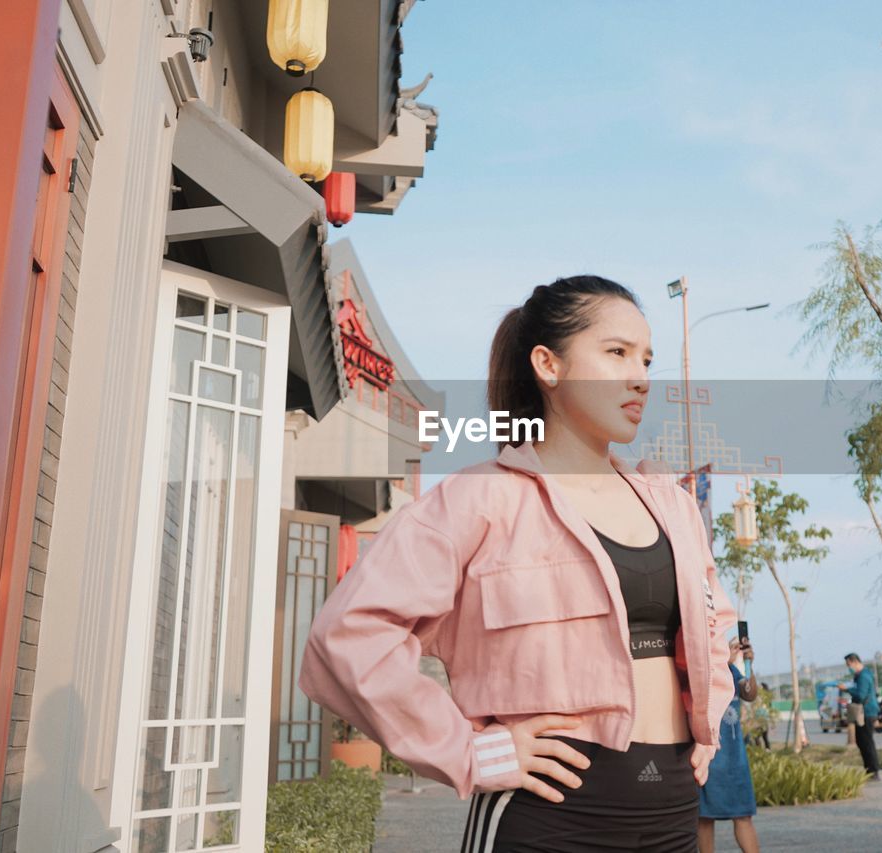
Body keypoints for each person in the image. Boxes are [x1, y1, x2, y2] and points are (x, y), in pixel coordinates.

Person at [298, 276, 737, 853]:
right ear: (548, 366)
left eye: (647, 359)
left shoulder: (673, 505)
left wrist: (704, 727)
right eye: (616, 352)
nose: (640, 377)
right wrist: (471, 750)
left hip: (672, 809)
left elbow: (715, 626)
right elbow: (348, 639)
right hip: (547, 817)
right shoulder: (478, 500)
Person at [698, 637, 760, 853]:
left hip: (735, 760)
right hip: (708, 756)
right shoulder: (703, 670)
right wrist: (723, 661)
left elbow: (750, 692)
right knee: (704, 818)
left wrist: (749, 663)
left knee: (743, 815)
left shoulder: (733, 672)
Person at [842, 653, 880, 780]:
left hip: (866, 713)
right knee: (861, 741)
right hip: (864, 712)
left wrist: (847, 689)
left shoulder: (863, 676)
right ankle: (869, 770)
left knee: (867, 742)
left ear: (854, 662)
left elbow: (861, 695)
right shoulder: (861, 675)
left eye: (849, 664)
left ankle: (873, 771)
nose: (849, 667)